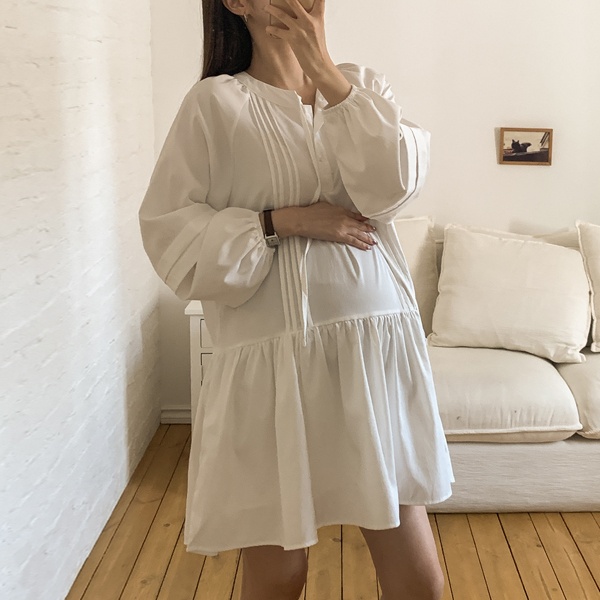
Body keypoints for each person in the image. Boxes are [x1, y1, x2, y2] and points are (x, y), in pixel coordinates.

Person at [138, 0, 455, 598]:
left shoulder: (362, 87)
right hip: (271, 362)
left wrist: (325, 69)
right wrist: (283, 220)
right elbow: (168, 231)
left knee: (414, 565)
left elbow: (393, 188)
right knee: (278, 570)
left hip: (373, 351)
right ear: (236, 2)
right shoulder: (215, 103)